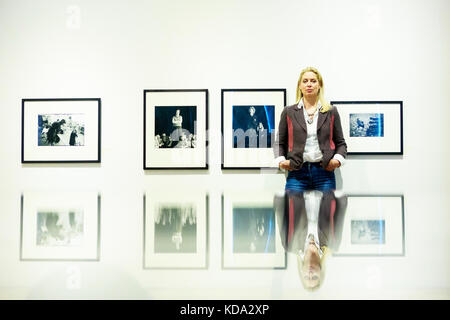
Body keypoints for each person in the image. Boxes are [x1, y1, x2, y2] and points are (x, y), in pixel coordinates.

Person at [273, 67, 347, 192]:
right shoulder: (289, 112)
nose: (309, 84)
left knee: (326, 211)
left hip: (324, 173)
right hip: (296, 174)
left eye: (313, 81)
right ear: (300, 86)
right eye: (305, 81)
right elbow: (279, 142)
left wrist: (337, 160)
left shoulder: (330, 111)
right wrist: (281, 161)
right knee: (293, 211)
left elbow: (341, 143)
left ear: (319, 85)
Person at [273, 190, 347, 291]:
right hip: (325, 183)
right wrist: (335, 189)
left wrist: (286, 187)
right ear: (321, 272)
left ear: (301, 272)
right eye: (315, 277)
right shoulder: (333, 244)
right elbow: (341, 206)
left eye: (306, 277)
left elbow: (280, 206)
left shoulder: (289, 244)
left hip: (298, 183)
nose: (310, 274)